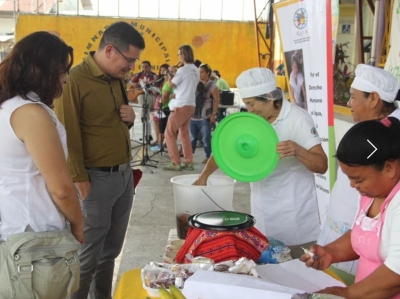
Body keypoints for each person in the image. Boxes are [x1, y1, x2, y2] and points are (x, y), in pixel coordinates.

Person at [194, 67, 327, 258]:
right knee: (267, 268)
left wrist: (298, 150)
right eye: (246, 104)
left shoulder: (297, 119)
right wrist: (204, 176)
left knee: (294, 271)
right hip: (263, 210)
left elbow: (322, 165)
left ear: (270, 98)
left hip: (294, 215)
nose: (249, 110)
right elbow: (224, 151)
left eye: (252, 104)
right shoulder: (252, 120)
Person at [54, 22, 145, 299]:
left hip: (122, 177)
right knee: (88, 256)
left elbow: (111, 123)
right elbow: (66, 135)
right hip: (94, 181)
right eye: (129, 60)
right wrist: (81, 183)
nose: (131, 67)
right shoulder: (75, 80)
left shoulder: (116, 79)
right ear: (109, 50)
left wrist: (130, 120)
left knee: (110, 252)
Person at [0, 31, 84, 298]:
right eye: (62, 70)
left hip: (13, 228)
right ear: (44, 70)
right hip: (35, 238)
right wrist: (79, 224)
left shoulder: (8, 107)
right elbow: (60, 188)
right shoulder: (31, 114)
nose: (65, 79)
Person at [301, 117, 400, 299]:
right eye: (350, 179)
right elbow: (364, 236)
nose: (353, 186)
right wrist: (330, 252)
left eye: (358, 179)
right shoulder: (371, 195)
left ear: (389, 168)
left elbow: (396, 274)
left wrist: (347, 293)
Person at [318, 64, 400, 276]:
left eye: (353, 97)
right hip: (352, 237)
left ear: (373, 99)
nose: (348, 103)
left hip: (378, 248)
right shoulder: (362, 130)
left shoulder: (392, 138)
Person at [163, 44, 200, 171]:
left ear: (183, 55)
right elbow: (184, 86)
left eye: (179, 54)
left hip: (181, 105)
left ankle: (175, 162)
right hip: (191, 104)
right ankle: (188, 161)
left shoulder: (182, 70)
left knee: (169, 133)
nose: (178, 56)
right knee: (184, 133)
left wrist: (170, 73)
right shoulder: (196, 69)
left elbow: (170, 85)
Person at [190, 63, 219, 164]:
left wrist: (213, 114)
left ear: (208, 73)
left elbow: (216, 100)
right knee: (191, 138)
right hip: (192, 115)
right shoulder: (194, 83)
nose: (200, 74)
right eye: (198, 72)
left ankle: (208, 156)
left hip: (205, 116)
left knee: (206, 139)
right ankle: (189, 157)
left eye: (202, 72)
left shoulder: (212, 85)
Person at [151, 63, 169, 150]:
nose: (162, 72)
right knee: (156, 120)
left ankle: (163, 142)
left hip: (166, 103)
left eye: (164, 70)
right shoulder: (160, 80)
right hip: (158, 101)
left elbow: (167, 92)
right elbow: (157, 91)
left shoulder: (170, 80)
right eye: (161, 70)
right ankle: (158, 139)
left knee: (165, 123)